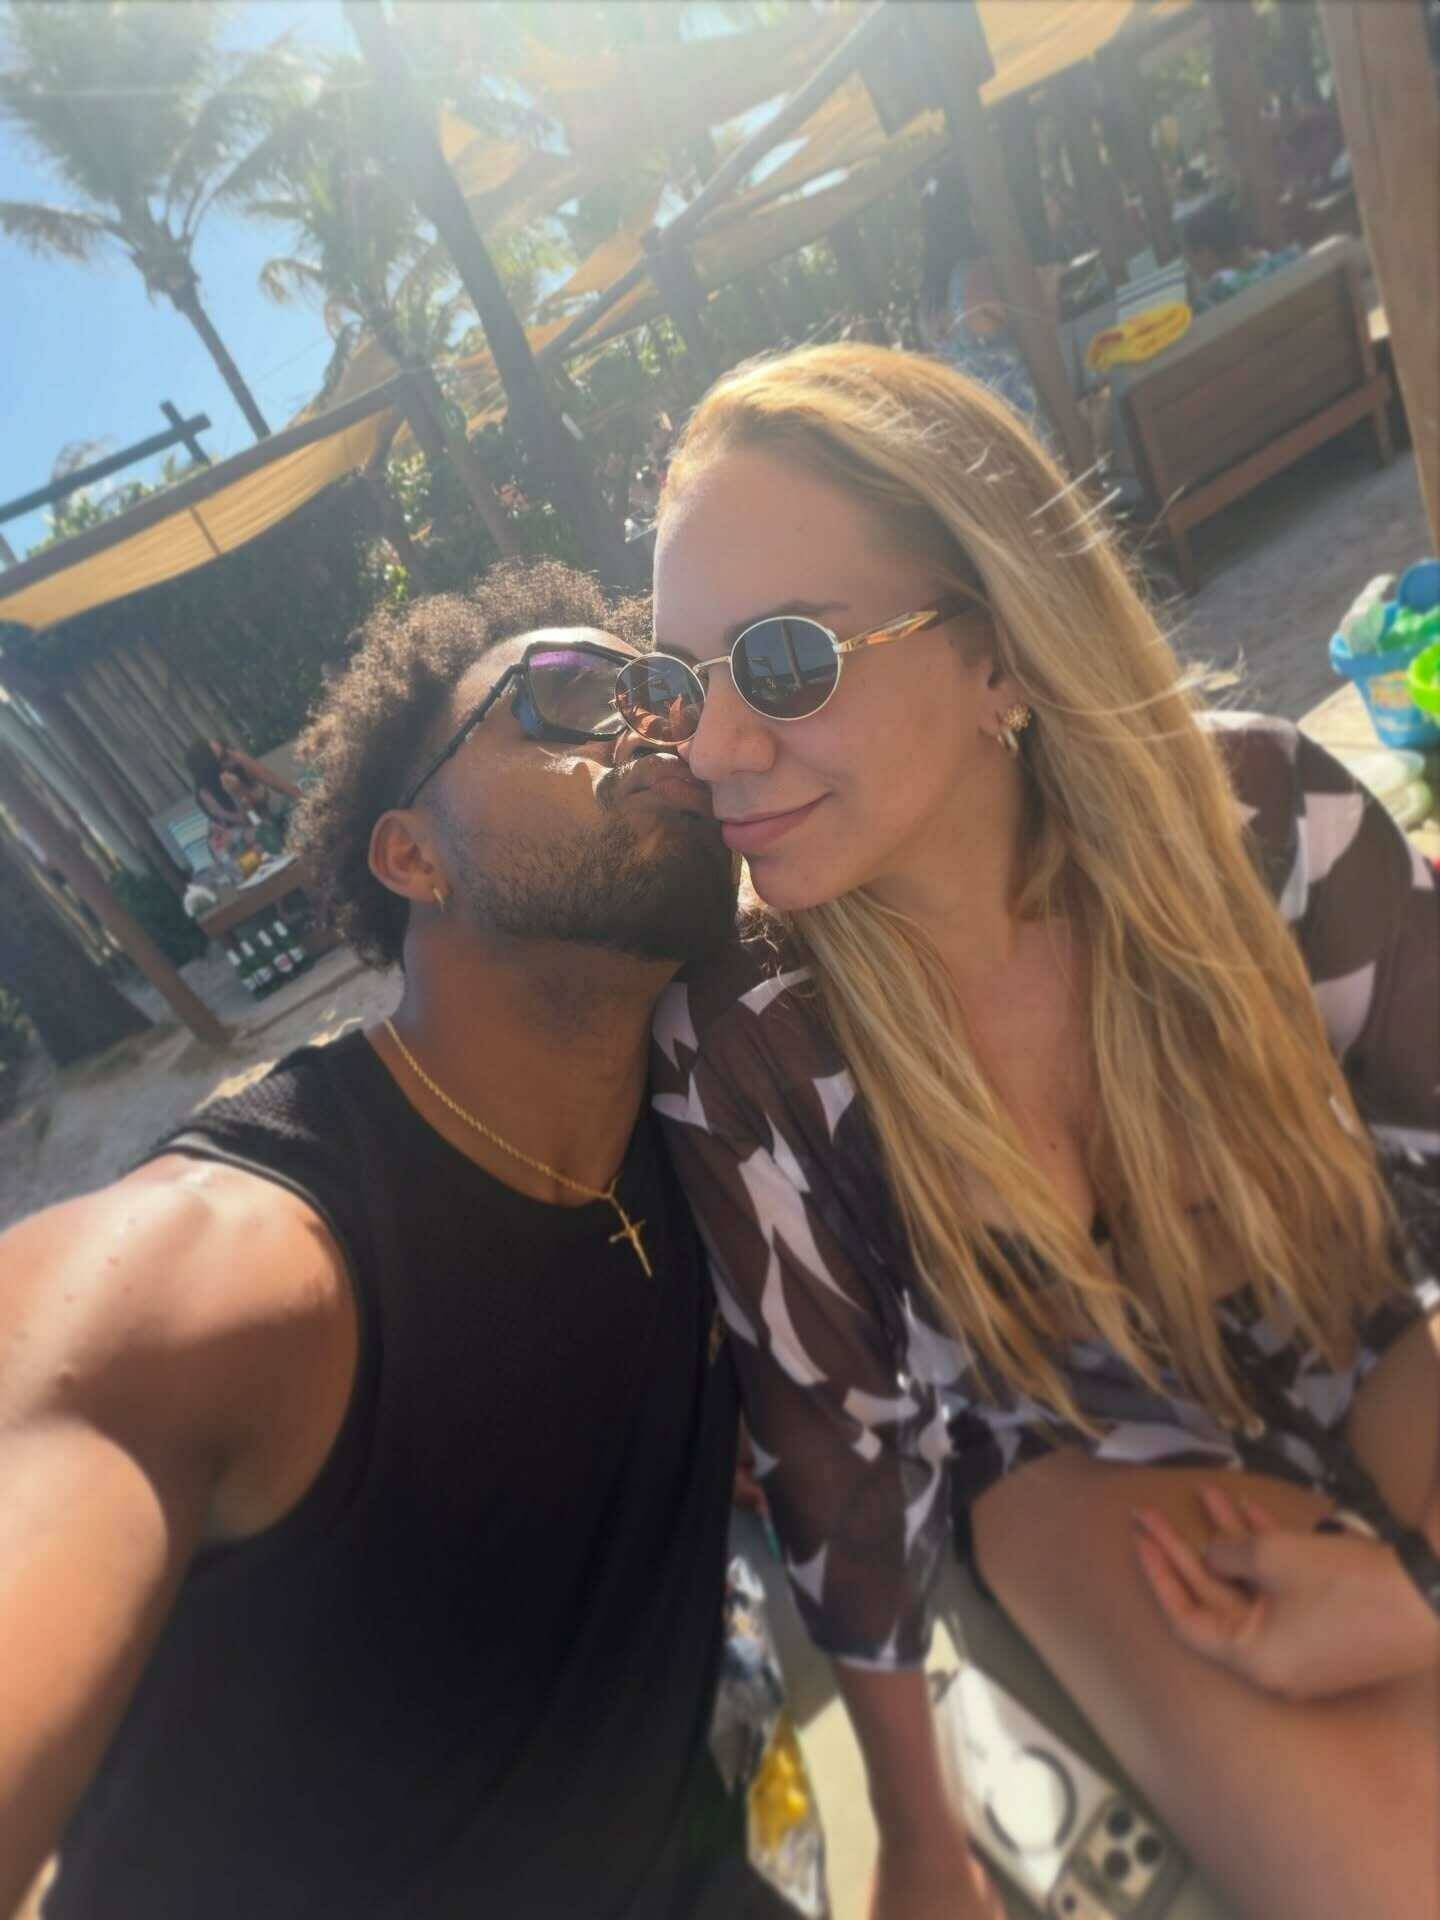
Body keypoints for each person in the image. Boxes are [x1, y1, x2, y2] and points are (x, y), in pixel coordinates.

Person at [605, 345, 1439, 1919]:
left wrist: (1417, 1592)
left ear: (1001, 653)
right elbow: (838, 1463)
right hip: (1075, 1451)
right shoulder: (753, 1048)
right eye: (678, 679)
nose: (708, 747)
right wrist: (919, 1839)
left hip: (1363, 1325)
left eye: (782, 660)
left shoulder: (1263, 820)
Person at [0, 561, 806, 1919]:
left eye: (665, 694)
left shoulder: (709, 1123)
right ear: (410, 855)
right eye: (567, 696)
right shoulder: (241, 1261)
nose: (655, 728)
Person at [184, 734, 301, 868]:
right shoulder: (205, 793)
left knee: (274, 829)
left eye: (226, 749)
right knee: (257, 844)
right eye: (223, 757)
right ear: (211, 769)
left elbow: (273, 780)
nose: (231, 755)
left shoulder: (236, 758)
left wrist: (304, 798)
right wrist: (238, 793)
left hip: (261, 825)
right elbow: (246, 819)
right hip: (234, 835)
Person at [1178, 193, 1301, 311]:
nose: (1192, 268)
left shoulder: (1216, 297)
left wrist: (1194, 300)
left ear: (1205, 254)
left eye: (1190, 260)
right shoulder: (1290, 259)